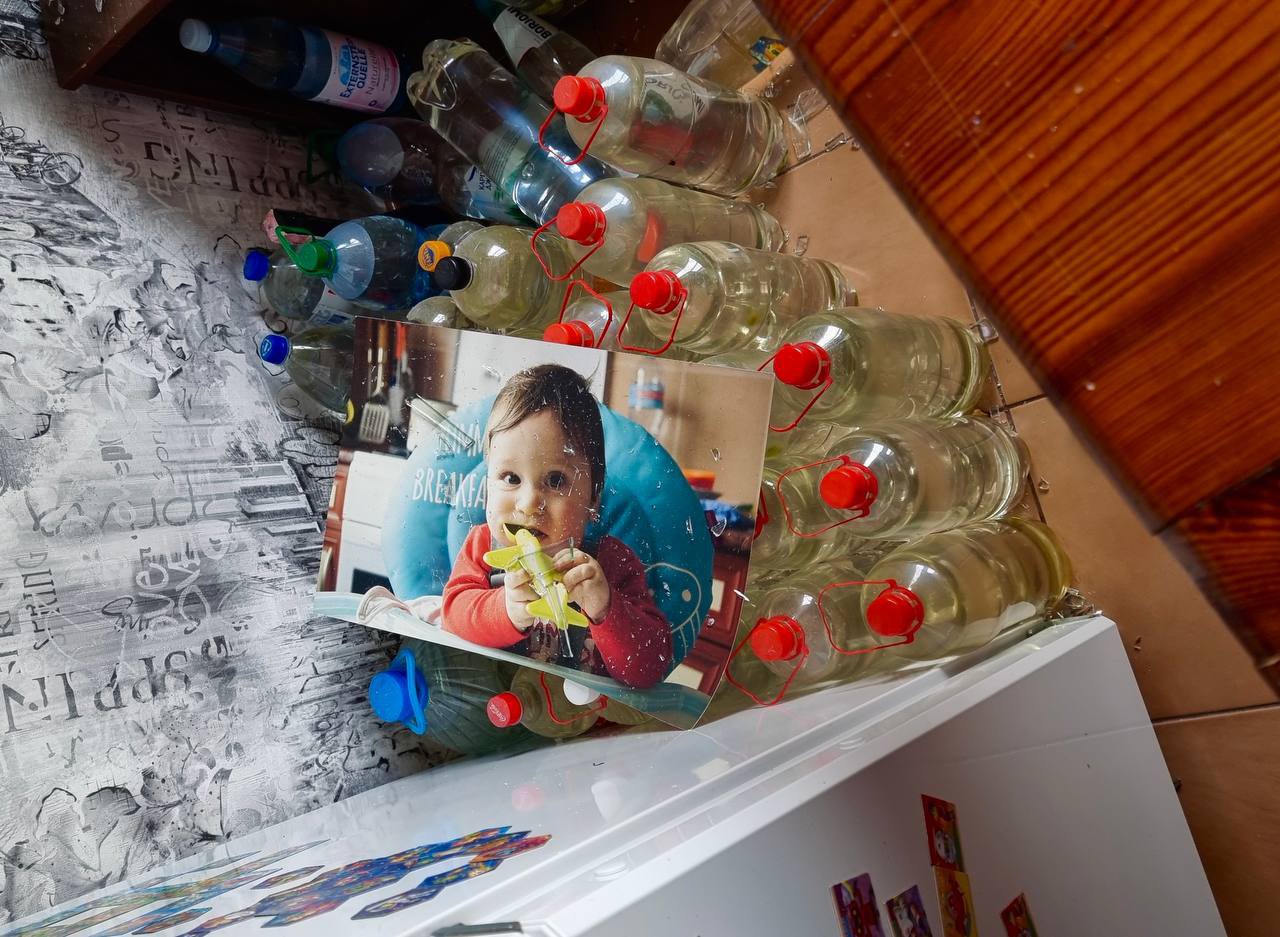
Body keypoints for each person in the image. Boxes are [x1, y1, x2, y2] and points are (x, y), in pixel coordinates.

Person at [442, 364, 672, 688]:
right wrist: (506, 609)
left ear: (593, 497)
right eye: (510, 478)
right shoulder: (482, 547)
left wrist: (606, 608)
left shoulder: (612, 563)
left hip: (578, 723)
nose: (527, 503)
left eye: (555, 480)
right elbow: (452, 618)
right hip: (493, 707)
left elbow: (652, 666)